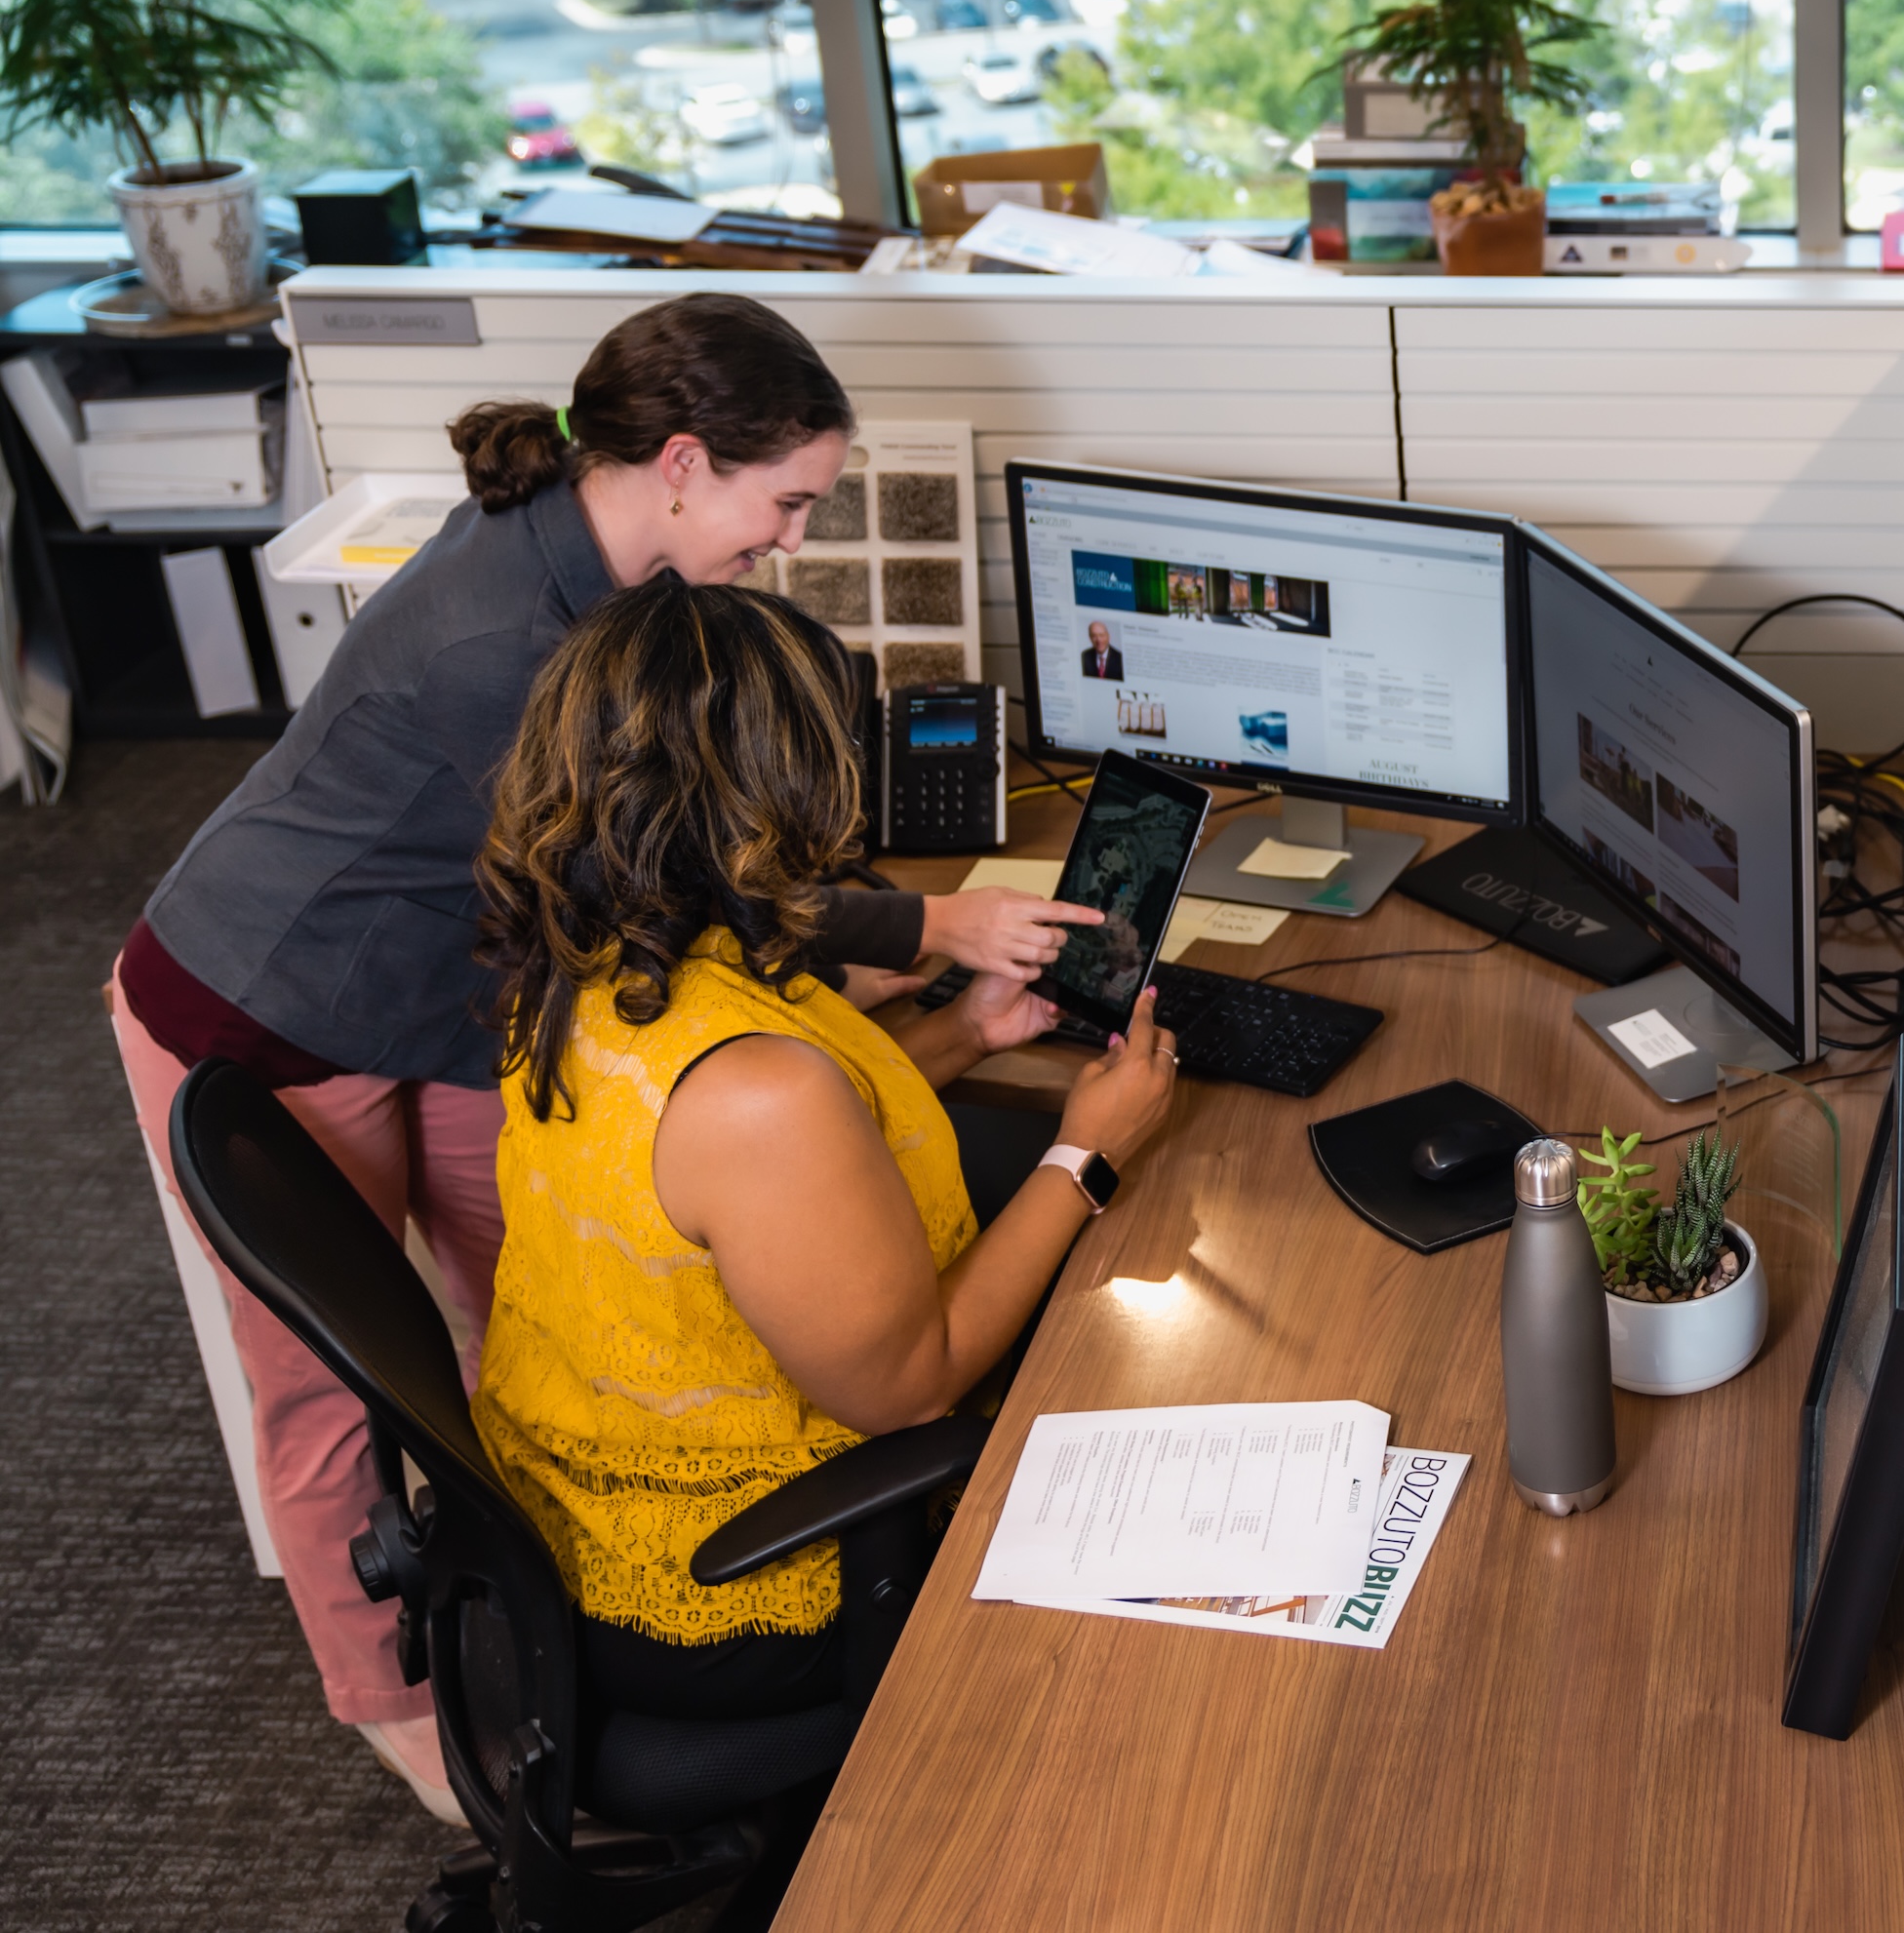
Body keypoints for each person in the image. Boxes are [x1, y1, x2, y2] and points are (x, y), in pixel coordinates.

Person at [104, 294, 1095, 1820]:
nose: (788, 539)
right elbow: (674, 875)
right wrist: (929, 927)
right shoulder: (505, 643)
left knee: (571, 1288)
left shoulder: (613, 584)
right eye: (785, 504)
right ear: (685, 463)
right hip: (271, 992)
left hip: (466, 983)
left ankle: (581, 1602)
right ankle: (414, 1719)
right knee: (334, 1382)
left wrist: (936, 965)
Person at [469, 584, 1176, 1756]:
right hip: (736, 1584)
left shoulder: (593, 951)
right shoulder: (755, 1090)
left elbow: (736, 1179)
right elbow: (912, 1386)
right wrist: (1089, 1152)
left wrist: (966, 1036)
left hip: (569, 1476)